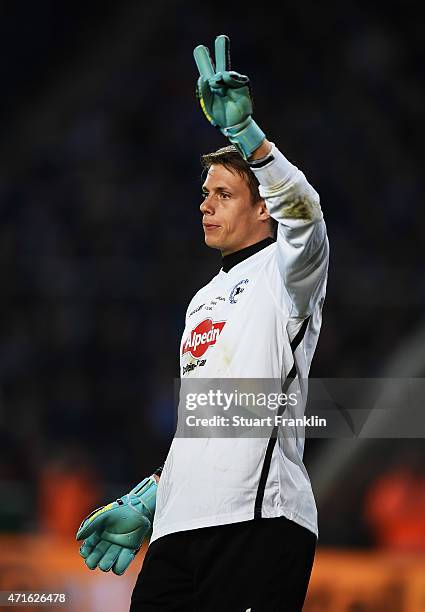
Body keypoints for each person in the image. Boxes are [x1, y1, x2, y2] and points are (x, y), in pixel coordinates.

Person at [76, 35, 329, 611]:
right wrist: (155, 498)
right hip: (179, 532)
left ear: (262, 205)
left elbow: (305, 213)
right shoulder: (202, 299)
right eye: (204, 193)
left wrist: (250, 139)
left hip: (258, 523)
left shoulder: (290, 271)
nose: (205, 204)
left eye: (223, 193)